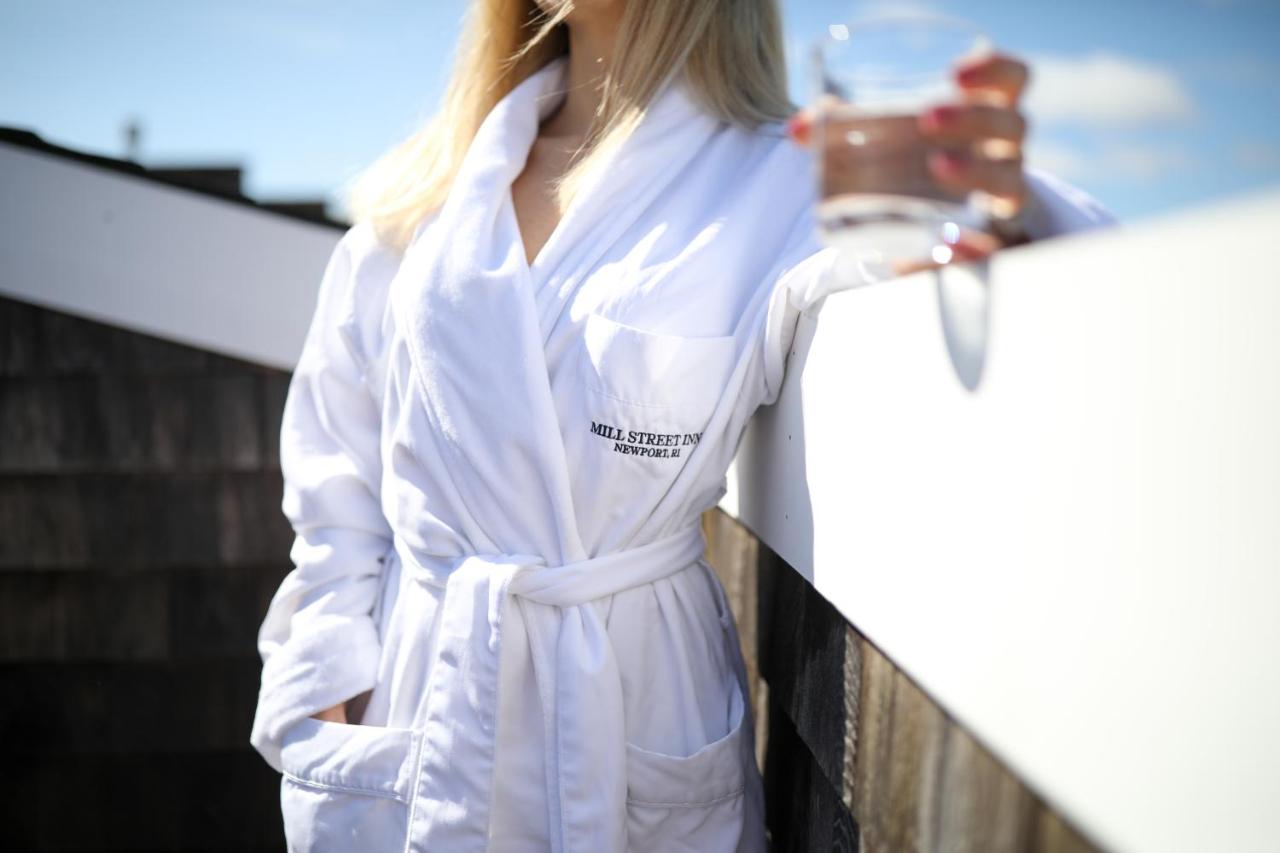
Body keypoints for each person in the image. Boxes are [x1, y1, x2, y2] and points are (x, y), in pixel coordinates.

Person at [248, 1, 1113, 851]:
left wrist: (1003, 213)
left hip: (639, 706)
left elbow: (978, 286)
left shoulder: (790, 182)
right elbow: (335, 475)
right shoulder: (421, 199)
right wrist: (322, 678)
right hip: (419, 693)